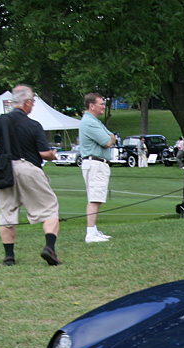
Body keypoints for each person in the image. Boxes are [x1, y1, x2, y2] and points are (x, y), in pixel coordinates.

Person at [0, 84, 62, 266]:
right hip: (29, 169)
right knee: (49, 208)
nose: (33, 105)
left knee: (6, 213)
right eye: (33, 101)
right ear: (26, 102)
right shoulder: (33, 125)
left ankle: (9, 257)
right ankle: (49, 247)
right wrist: (52, 154)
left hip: (4, 170)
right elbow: (44, 154)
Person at [78, 92, 115, 243]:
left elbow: (110, 136)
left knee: (97, 197)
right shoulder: (89, 122)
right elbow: (107, 141)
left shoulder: (94, 121)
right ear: (91, 105)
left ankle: (93, 230)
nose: (103, 107)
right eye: (101, 104)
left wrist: (111, 137)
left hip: (98, 163)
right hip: (95, 163)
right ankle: (90, 233)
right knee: (95, 197)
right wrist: (111, 138)